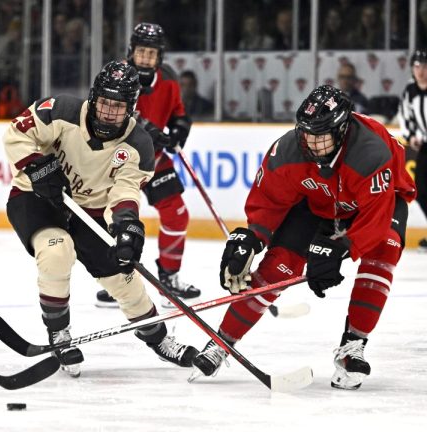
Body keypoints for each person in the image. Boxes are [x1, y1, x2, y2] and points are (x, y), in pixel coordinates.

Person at [190, 85, 415, 390]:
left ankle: (353, 346)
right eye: (305, 132)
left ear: (342, 130)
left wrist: (342, 248)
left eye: (320, 135)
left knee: (385, 248)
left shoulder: (371, 153)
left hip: (376, 206)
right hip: (316, 204)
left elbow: (375, 220)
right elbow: (268, 201)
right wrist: (252, 238)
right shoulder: (288, 150)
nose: (309, 142)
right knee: (278, 266)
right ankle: (221, 342)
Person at [2, 61, 199, 377]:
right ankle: (58, 332)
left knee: (125, 277)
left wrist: (127, 225)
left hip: (89, 212)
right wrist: (38, 167)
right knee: (57, 250)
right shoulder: (61, 110)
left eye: (118, 106)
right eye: (104, 102)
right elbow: (15, 135)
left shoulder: (138, 144)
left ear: (131, 108)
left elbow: (125, 189)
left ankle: (158, 338)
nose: (109, 112)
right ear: (93, 98)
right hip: (35, 198)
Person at [95, 23, 199, 310]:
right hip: (119, 157)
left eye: (151, 53)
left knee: (177, 213)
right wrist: (144, 128)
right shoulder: (116, 76)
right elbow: (103, 113)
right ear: (131, 51)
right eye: (141, 52)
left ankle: (169, 276)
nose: (145, 58)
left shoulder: (169, 80)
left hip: (153, 158)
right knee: (115, 218)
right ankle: (117, 281)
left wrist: (179, 130)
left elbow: (179, 113)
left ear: (159, 56)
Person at [398, 50, 427, 251]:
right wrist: (410, 136)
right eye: (417, 66)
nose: (421, 71)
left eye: (425, 66)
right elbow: (404, 115)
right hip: (424, 147)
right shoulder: (410, 91)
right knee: (422, 190)